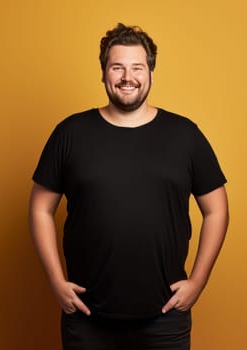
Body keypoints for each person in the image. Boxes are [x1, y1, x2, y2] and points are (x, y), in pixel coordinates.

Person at [29, 23, 229, 350]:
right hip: (86, 317)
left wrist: (198, 281)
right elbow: (40, 207)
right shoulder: (70, 133)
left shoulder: (185, 135)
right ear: (104, 73)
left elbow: (217, 208)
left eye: (137, 67)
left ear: (151, 73)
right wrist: (55, 280)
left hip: (165, 317)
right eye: (117, 67)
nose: (127, 76)